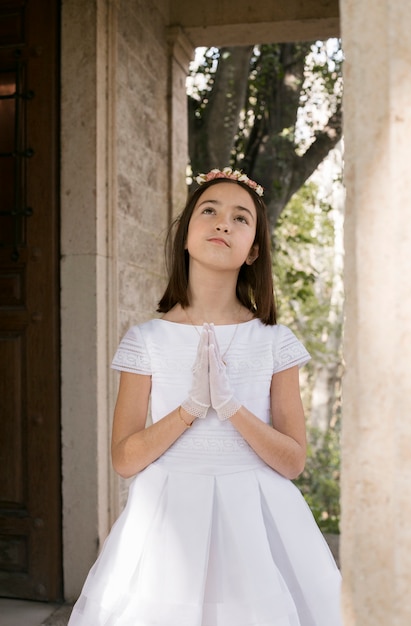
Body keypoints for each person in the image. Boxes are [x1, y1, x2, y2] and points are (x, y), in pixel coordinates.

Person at [68, 167, 342, 626]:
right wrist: (190, 408)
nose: (222, 223)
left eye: (240, 218)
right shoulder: (147, 340)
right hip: (168, 523)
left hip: (259, 523)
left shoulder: (275, 342)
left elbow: (292, 461)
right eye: (209, 211)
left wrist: (232, 407)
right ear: (187, 235)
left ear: (254, 249)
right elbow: (125, 459)